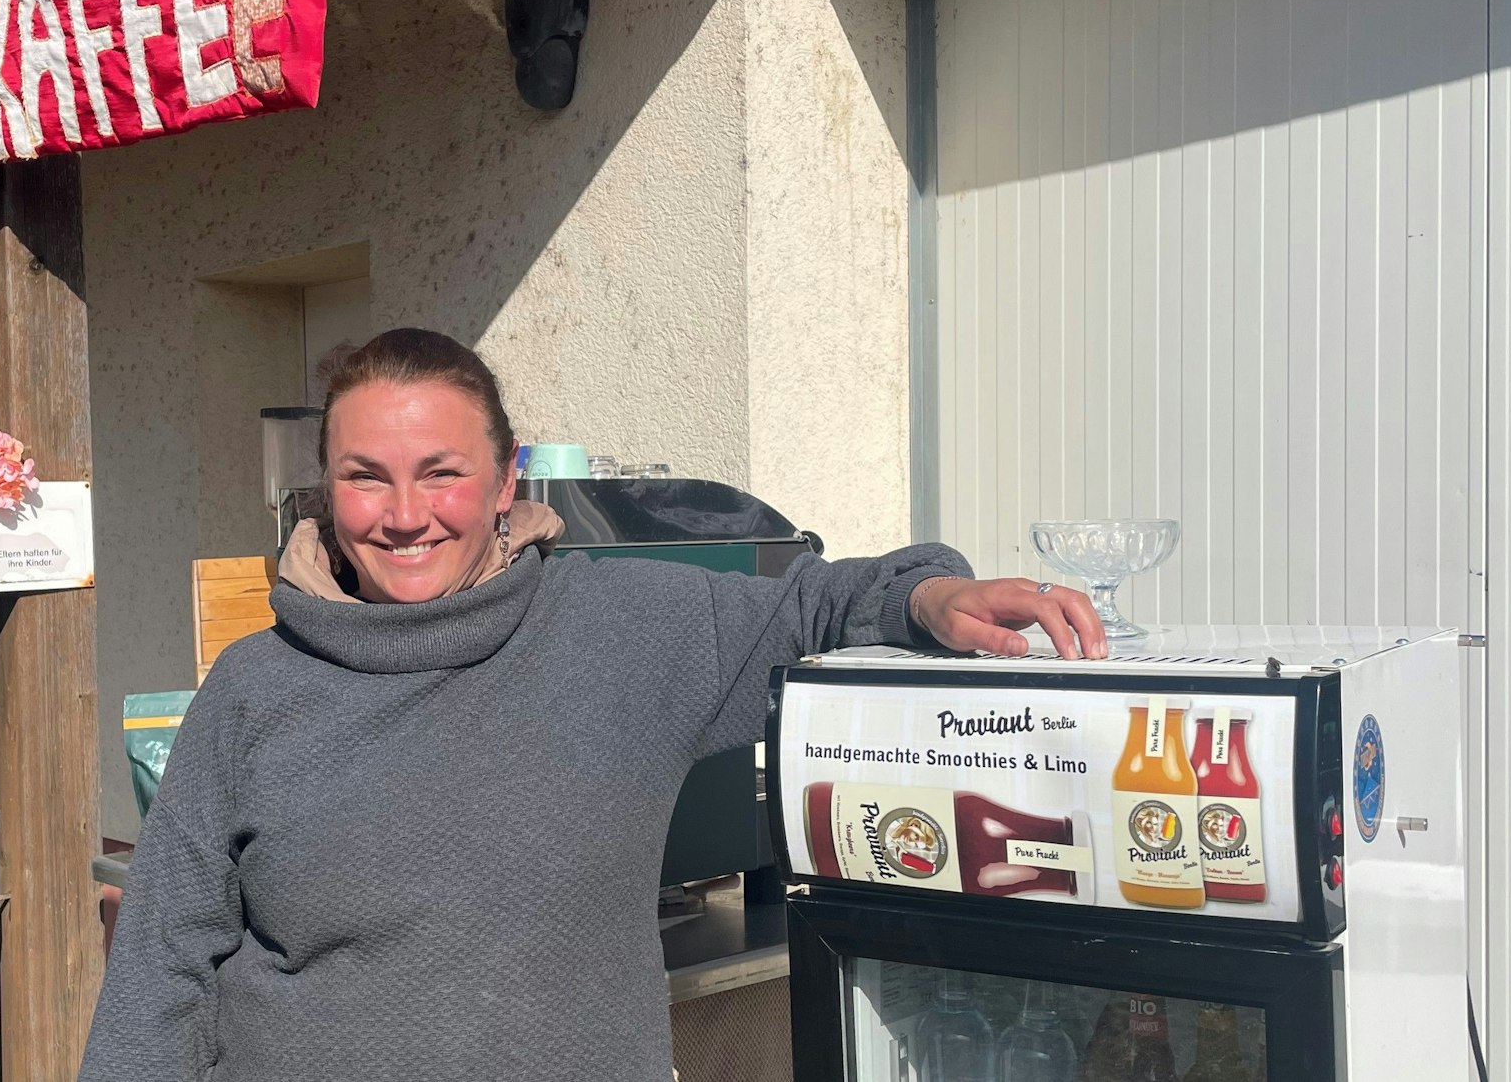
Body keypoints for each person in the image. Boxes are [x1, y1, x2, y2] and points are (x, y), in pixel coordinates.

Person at [78, 327, 1106, 1082]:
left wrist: (931, 596)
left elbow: (816, 603)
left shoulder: (623, 631)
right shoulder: (255, 687)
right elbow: (160, 972)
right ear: (325, 491)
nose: (403, 515)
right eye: (365, 478)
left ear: (504, 481)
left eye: (441, 473)